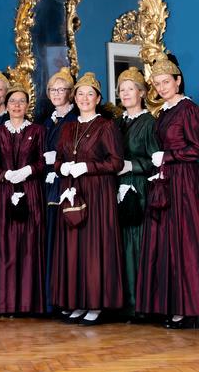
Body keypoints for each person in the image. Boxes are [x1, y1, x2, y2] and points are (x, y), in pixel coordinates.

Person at [51, 72, 123, 326]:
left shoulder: (106, 125)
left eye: (89, 94)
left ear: (98, 98)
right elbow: (59, 157)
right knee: (73, 247)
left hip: (97, 193)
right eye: (80, 94)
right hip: (72, 190)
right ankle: (77, 302)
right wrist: (62, 168)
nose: (84, 98)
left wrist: (86, 167)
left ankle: (95, 303)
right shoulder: (68, 126)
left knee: (94, 246)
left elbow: (116, 162)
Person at [137, 55, 199, 328]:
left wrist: (169, 156)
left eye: (166, 82)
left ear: (177, 80)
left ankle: (190, 308)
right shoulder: (162, 112)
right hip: (165, 181)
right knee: (166, 242)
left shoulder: (188, 110)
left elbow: (196, 148)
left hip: (184, 182)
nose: (161, 87)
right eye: (157, 84)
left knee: (184, 241)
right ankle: (172, 304)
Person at [0, 84, 46, 315]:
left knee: (29, 246)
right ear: (6, 105)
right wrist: (5, 175)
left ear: (27, 104)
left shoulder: (38, 131)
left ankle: (29, 304)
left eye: (21, 101)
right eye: (13, 102)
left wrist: (28, 170)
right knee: (4, 246)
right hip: (4, 193)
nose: (17, 105)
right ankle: (4, 303)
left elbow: (43, 161)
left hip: (31, 193)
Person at [114, 67, 157, 316]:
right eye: (122, 90)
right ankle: (124, 303)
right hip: (116, 188)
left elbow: (156, 160)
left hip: (139, 189)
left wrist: (132, 165)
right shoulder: (117, 123)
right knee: (120, 244)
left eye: (131, 89)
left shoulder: (149, 123)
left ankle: (141, 305)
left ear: (141, 92)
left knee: (137, 245)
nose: (126, 93)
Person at [40, 67, 78, 313]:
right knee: (51, 240)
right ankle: (53, 298)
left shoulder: (74, 119)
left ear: (70, 93)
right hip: (48, 183)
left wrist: (59, 163)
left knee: (65, 240)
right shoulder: (47, 119)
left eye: (61, 89)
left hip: (67, 184)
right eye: (53, 89)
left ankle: (66, 298)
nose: (56, 93)